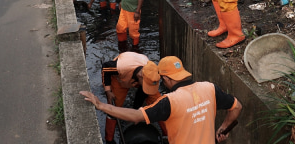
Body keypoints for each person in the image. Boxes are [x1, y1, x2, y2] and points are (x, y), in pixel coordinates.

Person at [80, 56, 243, 144]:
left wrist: (100, 105)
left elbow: (136, 116)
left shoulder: (170, 101)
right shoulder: (210, 88)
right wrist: (223, 129)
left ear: (166, 78)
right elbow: (237, 107)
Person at [100, 53, 163, 144]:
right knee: (113, 108)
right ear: (141, 76)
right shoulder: (121, 67)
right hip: (121, 80)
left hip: (139, 78)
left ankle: (167, 135)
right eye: (146, 85)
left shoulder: (152, 71)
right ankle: (109, 139)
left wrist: (136, 112)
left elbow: (144, 92)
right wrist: (108, 91)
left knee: (160, 105)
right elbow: (105, 68)